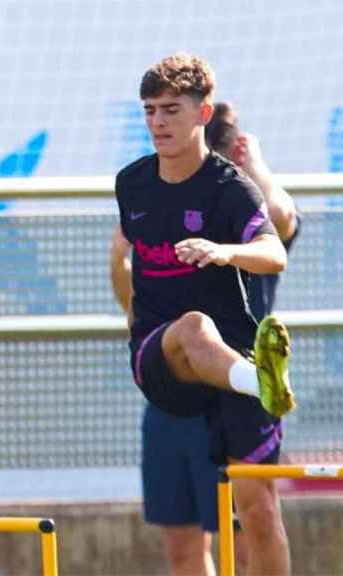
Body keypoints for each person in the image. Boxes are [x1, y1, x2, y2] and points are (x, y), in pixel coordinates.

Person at [112, 53, 295, 575]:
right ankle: (258, 378)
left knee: (258, 510)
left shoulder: (230, 188)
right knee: (192, 326)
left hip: (229, 360)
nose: (158, 122)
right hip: (161, 357)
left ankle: (251, 377)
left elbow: (275, 252)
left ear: (202, 114)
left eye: (171, 109)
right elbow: (125, 261)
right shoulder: (132, 183)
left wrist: (224, 252)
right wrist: (132, 319)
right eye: (149, 111)